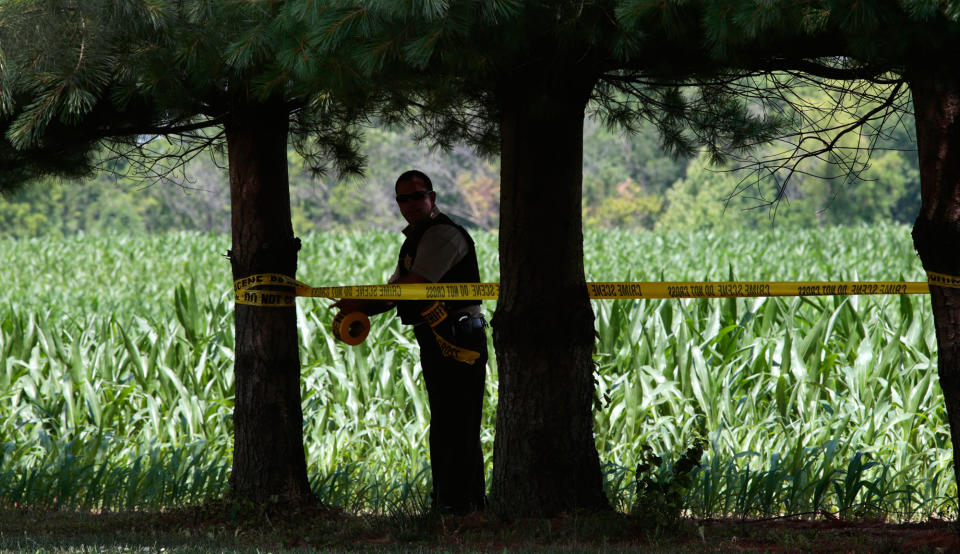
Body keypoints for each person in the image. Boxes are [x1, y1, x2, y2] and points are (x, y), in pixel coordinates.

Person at [333, 170, 488, 514]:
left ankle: (465, 507)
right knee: (447, 423)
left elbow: (411, 287)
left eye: (416, 196)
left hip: (460, 336)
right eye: (402, 199)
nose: (409, 204)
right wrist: (359, 309)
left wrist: (359, 305)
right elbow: (394, 295)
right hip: (437, 337)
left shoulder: (443, 236)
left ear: (432, 197)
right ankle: (452, 505)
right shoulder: (415, 241)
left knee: (458, 423)